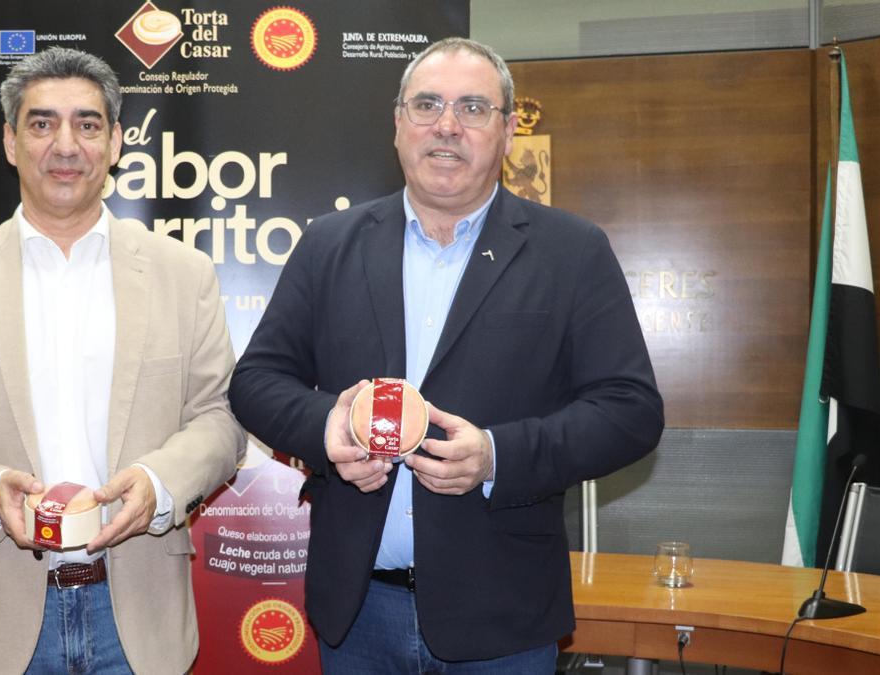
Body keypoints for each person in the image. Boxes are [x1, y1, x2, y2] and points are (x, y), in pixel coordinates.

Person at [229, 37, 664, 672]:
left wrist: (498, 455)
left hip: (504, 618)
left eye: (474, 108)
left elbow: (630, 411)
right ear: (398, 123)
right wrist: (329, 429)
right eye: (427, 104)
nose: (447, 126)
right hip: (357, 614)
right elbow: (257, 380)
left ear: (509, 129)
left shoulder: (571, 252)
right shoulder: (329, 244)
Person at [0, 47, 244, 674]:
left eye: (87, 125)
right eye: (42, 123)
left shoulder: (183, 272)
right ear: (11, 142)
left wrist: (158, 482)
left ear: (116, 142)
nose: (66, 144)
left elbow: (221, 417)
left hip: (140, 620)